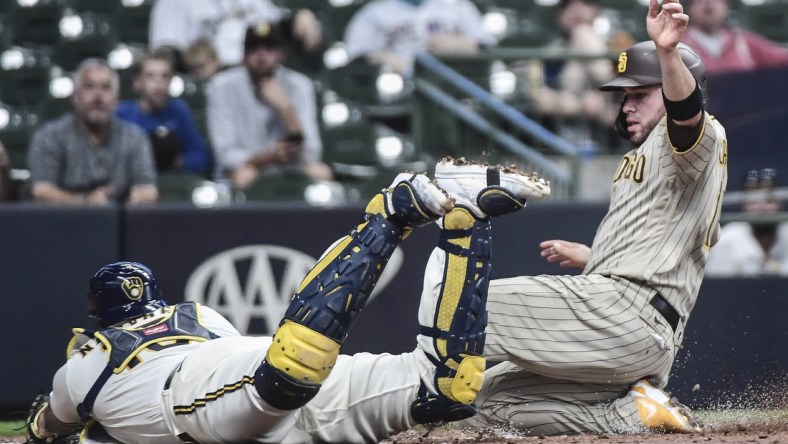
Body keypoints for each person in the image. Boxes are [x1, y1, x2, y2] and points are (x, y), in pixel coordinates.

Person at [25, 158, 551, 443]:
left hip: (203, 399)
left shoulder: (89, 359)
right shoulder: (193, 313)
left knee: (286, 375)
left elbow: (50, 425)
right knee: (443, 391)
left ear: (100, 312)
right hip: (256, 389)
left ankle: (389, 213)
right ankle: (467, 220)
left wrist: (47, 424)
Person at [460, 0, 728, 435]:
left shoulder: (694, 137)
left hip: (628, 315)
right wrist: (596, 256)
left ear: (675, 84)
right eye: (624, 97)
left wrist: (666, 54)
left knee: (467, 304)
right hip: (636, 328)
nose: (626, 106)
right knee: (487, 400)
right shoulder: (648, 155)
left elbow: (685, 115)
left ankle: (368, 403)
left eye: (639, 94)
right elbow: (664, 240)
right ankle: (632, 415)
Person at [207, 22, 332, 189]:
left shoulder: (299, 85)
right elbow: (225, 155)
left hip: (288, 167)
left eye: (269, 48)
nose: (261, 55)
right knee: (245, 177)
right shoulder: (222, 86)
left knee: (322, 173)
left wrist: (285, 108)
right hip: (248, 167)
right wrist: (269, 157)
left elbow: (313, 151)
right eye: (254, 48)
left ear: (281, 53)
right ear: (244, 54)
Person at [27, 59, 158, 205]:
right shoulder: (50, 136)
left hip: (118, 221)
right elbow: (41, 191)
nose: (98, 95)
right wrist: (87, 202)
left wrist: (137, 198)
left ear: (116, 100)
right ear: (75, 97)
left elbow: (148, 190)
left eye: (106, 87)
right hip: (61, 222)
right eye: (89, 87)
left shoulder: (135, 138)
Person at [528, 0, 624, 151]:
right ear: (559, 15)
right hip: (561, 137)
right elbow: (538, 99)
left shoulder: (617, 45)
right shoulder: (549, 54)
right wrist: (582, 105)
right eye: (568, 4)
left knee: (582, 33)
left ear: (597, 11)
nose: (577, 9)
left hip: (609, 136)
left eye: (585, 2)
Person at [116, 49, 214, 176]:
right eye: (150, 76)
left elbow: (201, 157)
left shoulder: (179, 110)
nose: (158, 83)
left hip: (172, 182)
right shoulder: (122, 114)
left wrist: (177, 162)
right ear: (138, 82)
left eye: (164, 76)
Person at [149, 0, 321, 69]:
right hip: (214, 77)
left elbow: (274, 24)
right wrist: (195, 60)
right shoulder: (170, 3)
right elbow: (164, 55)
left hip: (261, 70)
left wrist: (300, 17)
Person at [343, 0, 496, 76]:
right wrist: (383, 58)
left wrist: (458, 44)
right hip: (400, 91)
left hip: (454, 86)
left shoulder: (456, 5)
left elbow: (486, 45)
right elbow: (356, 55)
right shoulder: (374, 13)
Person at [706, 168, 788, 276]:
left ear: (780, 204)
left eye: (769, 200)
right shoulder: (727, 240)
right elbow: (718, 289)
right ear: (744, 205)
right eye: (754, 201)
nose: (762, 208)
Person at [681, 0, 788, 75]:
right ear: (689, 8)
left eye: (716, 0)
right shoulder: (677, 46)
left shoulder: (745, 42)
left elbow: (781, 58)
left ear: (726, 6)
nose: (708, 3)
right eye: (699, 1)